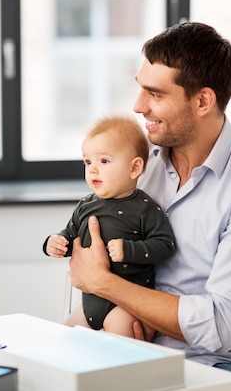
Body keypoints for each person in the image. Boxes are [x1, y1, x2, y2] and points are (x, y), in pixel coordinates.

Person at [67, 22, 231, 391]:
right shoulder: (140, 163)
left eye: (154, 94)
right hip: (119, 344)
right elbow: (84, 257)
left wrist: (107, 285)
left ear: (203, 101)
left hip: (211, 367)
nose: (138, 106)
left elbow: (219, 325)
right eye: (140, 88)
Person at [44, 116, 175, 337]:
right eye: (88, 162)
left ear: (134, 168)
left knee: (117, 351)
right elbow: (70, 234)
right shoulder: (85, 205)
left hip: (123, 306)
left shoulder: (145, 208)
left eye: (103, 161)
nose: (93, 169)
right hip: (89, 305)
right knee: (63, 339)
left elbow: (165, 245)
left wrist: (129, 250)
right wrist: (54, 243)